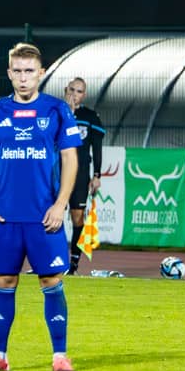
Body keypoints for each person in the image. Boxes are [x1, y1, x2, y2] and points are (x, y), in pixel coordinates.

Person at [0, 42, 82, 371]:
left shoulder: (57, 110)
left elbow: (70, 159)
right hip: (5, 216)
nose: (23, 78)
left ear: (41, 73)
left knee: (50, 280)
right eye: (18, 71)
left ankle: (60, 355)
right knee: (5, 281)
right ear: (9, 73)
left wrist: (60, 204)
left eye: (30, 71)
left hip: (43, 216)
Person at [63, 77, 107, 275]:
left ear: (84, 95)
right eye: (72, 90)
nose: (74, 94)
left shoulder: (90, 117)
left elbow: (96, 148)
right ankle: (50, 261)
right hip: (57, 172)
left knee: (78, 218)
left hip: (80, 173)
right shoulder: (56, 113)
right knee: (49, 216)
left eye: (79, 91)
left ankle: (73, 264)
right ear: (66, 90)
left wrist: (97, 174)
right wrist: (68, 114)